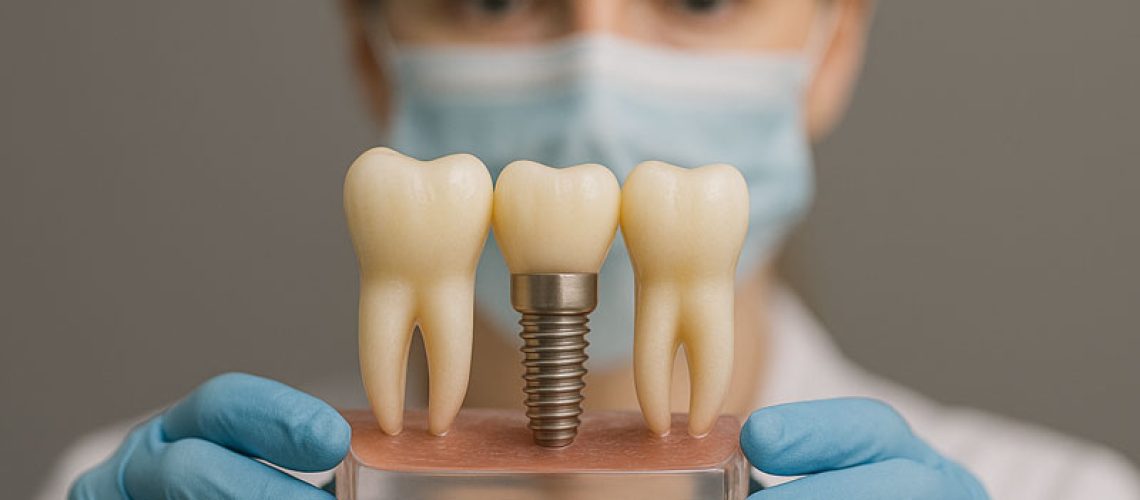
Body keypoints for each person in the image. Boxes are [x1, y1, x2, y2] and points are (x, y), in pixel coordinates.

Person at [47, 1, 1140, 499]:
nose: (596, 87)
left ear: (829, 49)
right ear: (373, 53)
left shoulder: (1069, 491)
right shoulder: (159, 487)